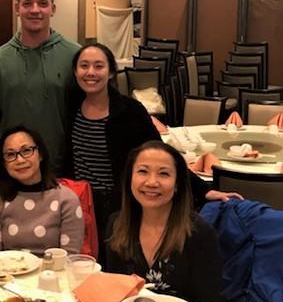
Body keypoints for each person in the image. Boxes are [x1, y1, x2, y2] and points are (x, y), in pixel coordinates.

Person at [64, 42, 242, 266]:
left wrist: (204, 191)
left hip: (120, 204)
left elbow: (162, 155)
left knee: (116, 263)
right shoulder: (70, 107)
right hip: (81, 203)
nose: (91, 72)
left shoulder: (130, 111)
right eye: (84, 66)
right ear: (75, 71)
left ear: (110, 72)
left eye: (98, 66)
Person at [106, 141, 237, 302]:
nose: (151, 182)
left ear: (177, 185)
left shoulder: (198, 233)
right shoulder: (117, 225)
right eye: (143, 171)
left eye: (164, 174)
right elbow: (114, 290)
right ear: (130, 179)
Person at [0, 0, 81, 178]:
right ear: (17, 8)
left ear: (53, 9)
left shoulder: (74, 56)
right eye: (27, 4)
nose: (35, 10)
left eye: (42, 3)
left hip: (62, 170)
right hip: (13, 170)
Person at [0, 126, 84, 255]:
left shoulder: (66, 199)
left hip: (55, 268)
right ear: (3, 163)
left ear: (40, 154)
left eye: (26, 151)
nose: (20, 160)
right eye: (10, 154)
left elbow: (70, 257)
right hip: (8, 267)